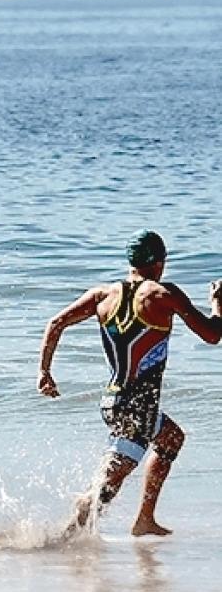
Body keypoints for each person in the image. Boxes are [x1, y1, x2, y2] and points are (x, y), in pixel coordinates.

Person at [37, 230, 222, 537]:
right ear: (160, 262)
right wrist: (217, 304)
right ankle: (67, 535)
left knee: (170, 439)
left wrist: (44, 372)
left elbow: (56, 323)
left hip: (113, 401)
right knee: (105, 488)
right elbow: (213, 334)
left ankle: (143, 520)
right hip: (139, 407)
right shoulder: (163, 294)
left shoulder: (102, 295)